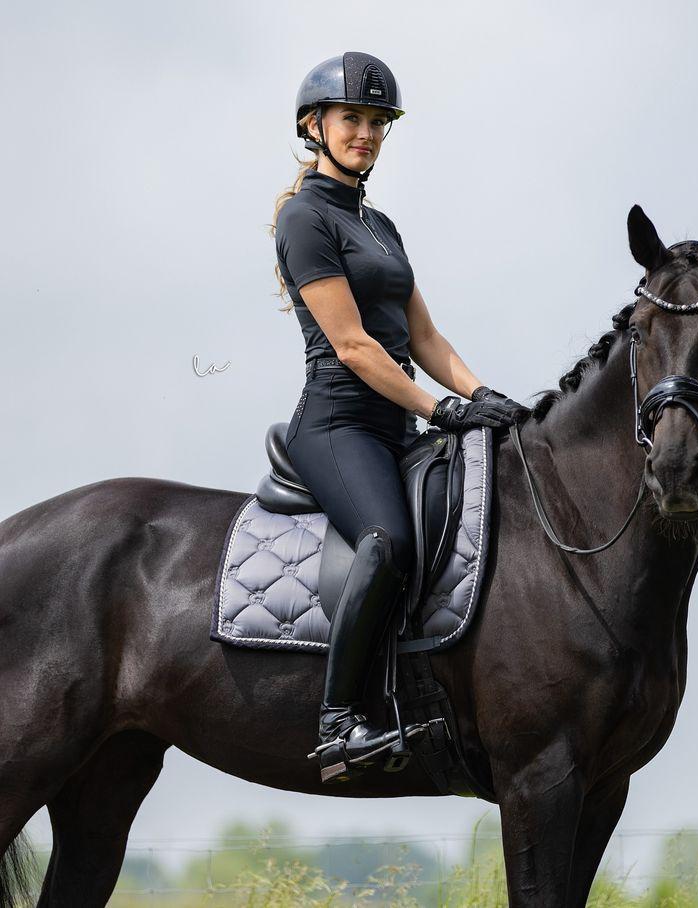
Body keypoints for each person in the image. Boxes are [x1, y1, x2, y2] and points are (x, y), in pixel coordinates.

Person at [272, 52, 530, 783]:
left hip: (396, 428)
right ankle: (338, 722)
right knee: (387, 542)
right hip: (337, 425)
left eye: (378, 122)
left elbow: (424, 339)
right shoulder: (304, 218)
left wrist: (482, 398)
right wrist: (441, 408)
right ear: (314, 126)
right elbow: (353, 346)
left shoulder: (380, 224)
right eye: (352, 119)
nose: (367, 133)